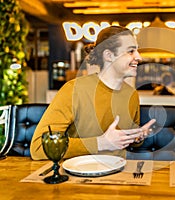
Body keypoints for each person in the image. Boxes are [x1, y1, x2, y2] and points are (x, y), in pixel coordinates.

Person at [30, 26, 156, 160]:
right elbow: (38, 147)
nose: (139, 57)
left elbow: (125, 139)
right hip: (78, 175)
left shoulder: (132, 95)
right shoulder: (73, 90)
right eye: (131, 51)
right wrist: (101, 143)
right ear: (109, 56)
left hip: (119, 172)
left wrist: (137, 137)